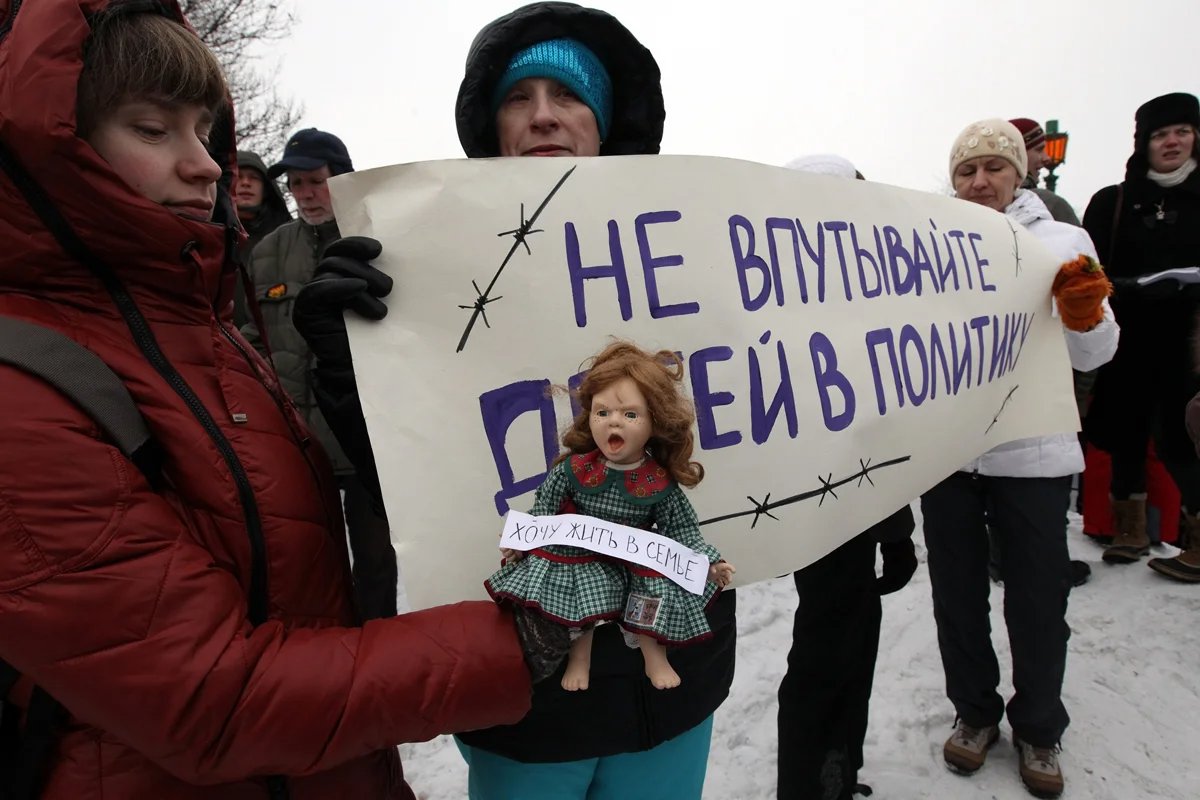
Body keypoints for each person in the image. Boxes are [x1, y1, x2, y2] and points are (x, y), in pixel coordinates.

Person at [0, 2, 564, 797]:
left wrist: (350, 374)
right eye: (153, 130)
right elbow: (210, 700)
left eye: (202, 130)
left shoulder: (196, 332)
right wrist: (520, 639)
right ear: (48, 149)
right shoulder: (24, 391)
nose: (204, 165)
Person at [293, 4, 736, 799]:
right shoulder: (437, 275)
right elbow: (414, 477)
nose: (541, 116)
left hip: (673, 678)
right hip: (528, 687)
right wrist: (346, 368)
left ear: (601, 119)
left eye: (566, 96)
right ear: (493, 126)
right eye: (517, 97)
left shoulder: (688, 259)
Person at [921, 119, 1118, 799]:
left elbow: (1097, 353)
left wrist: (1088, 314)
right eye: (966, 171)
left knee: (1038, 600)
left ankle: (1038, 726)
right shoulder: (926, 245)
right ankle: (974, 712)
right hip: (949, 454)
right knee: (956, 597)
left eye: (993, 168)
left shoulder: (1062, 243)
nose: (980, 183)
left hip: (1032, 457)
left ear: (1019, 174)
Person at [775, 153, 918, 800]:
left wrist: (897, 529)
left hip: (865, 509)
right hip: (820, 512)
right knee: (825, 651)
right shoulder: (786, 305)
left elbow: (885, 428)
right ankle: (808, 781)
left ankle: (841, 764)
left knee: (855, 639)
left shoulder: (870, 300)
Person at [486, 341, 734, 691]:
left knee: (653, 587)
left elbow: (682, 528)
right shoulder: (573, 471)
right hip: (584, 555)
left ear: (654, 423)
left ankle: (653, 653)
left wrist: (709, 561)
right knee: (579, 592)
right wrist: (519, 543)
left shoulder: (657, 482)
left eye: (630, 415)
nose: (613, 422)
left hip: (634, 555)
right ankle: (580, 657)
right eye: (602, 413)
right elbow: (543, 511)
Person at [243, 127, 398, 620]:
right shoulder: (266, 252)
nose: (306, 195)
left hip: (367, 439)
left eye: (315, 181)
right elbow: (247, 330)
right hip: (298, 443)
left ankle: (379, 647)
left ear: (341, 177)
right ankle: (330, 656)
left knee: (376, 560)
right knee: (312, 560)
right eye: (296, 185)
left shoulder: (378, 240)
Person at [1081, 92, 1200, 582]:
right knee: (1124, 431)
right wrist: (1122, 287)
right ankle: (1128, 530)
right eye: (1159, 134)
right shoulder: (1115, 201)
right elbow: (1086, 266)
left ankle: (1195, 539)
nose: (1170, 142)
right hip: (1127, 336)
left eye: (1181, 131)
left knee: (1184, 435)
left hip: (1190, 340)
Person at [231, 149, 291, 327]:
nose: (246, 183)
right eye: (238, 176)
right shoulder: (207, 236)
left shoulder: (287, 239)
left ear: (266, 188)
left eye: (254, 177)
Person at [1008, 118, 1081, 225]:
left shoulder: (979, 206)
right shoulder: (1050, 203)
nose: (1047, 158)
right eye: (1039, 150)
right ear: (1018, 154)